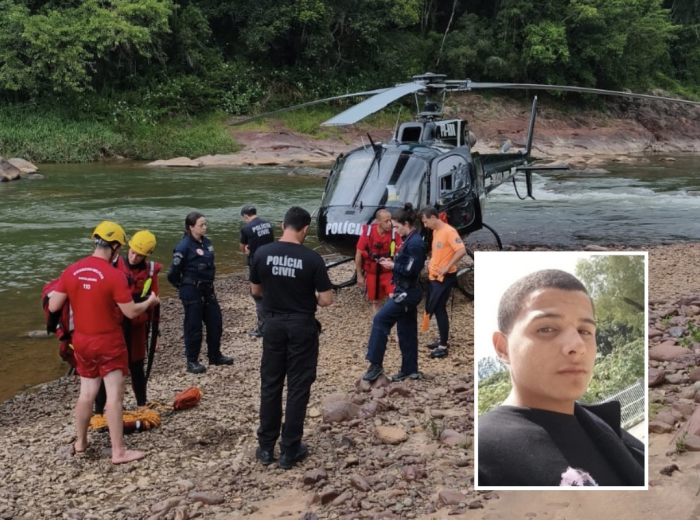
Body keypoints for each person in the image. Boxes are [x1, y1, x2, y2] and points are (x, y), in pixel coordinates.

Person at [477, 269, 645, 487]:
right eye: (547, 329)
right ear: (503, 347)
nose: (577, 346)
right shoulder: (484, 451)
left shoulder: (602, 424)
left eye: (585, 331)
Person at [48, 221, 159, 464]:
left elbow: (54, 305)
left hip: (82, 342)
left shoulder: (72, 270)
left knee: (87, 393)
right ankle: (119, 452)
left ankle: (81, 442)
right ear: (116, 246)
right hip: (109, 343)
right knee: (114, 397)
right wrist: (150, 302)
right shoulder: (114, 275)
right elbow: (130, 312)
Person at [250, 206, 333, 469]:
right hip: (301, 326)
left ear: (282, 225)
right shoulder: (312, 259)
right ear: (305, 229)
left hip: (273, 324)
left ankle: (266, 447)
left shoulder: (262, 253)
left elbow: (256, 290)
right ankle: (289, 449)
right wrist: (308, 295)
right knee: (298, 386)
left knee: (271, 384)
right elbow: (326, 299)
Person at [94, 230, 161, 414]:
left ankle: (142, 404)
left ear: (147, 255)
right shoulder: (112, 264)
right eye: (132, 252)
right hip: (114, 326)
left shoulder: (150, 272)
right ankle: (99, 411)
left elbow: (154, 303)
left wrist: (156, 334)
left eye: (139, 255)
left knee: (137, 366)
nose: (133, 257)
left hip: (137, 326)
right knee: (108, 368)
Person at [363, 203, 426, 383]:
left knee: (380, 320)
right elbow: (405, 264)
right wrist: (392, 262)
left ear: (406, 224)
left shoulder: (415, 243)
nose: (395, 231)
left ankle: (375, 364)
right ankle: (410, 369)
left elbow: (411, 270)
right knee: (406, 330)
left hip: (407, 293)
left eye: (397, 227)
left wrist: (393, 266)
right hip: (404, 289)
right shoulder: (409, 239)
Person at [167, 212, 233, 374]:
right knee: (193, 326)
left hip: (207, 289)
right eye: (201, 225)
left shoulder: (206, 242)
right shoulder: (184, 246)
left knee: (215, 322)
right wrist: (182, 287)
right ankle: (192, 361)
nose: (205, 227)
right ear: (191, 227)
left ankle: (214, 355)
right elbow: (172, 273)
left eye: (205, 224)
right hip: (192, 289)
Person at [420, 206, 467, 359]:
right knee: (435, 307)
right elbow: (438, 252)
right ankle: (442, 339)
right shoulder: (436, 231)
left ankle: (443, 346)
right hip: (434, 275)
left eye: (426, 222)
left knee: (439, 308)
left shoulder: (449, 231)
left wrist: (447, 267)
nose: (425, 225)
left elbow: (461, 250)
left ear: (433, 217)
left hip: (445, 277)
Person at [355, 208, 402, 316]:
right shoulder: (368, 233)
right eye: (386, 221)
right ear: (378, 222)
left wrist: (393, 261)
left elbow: (400, 253)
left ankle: (394, 324)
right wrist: (359, 275)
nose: (390, 224)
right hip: (372, 273)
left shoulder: (394, 234)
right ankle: (378, 323)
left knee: (394, 298)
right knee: (376, 302)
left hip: (389, 273)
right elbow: (358, 255)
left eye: (390, 220)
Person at [239, 205, 274, 338]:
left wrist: (247, 248)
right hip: (271, 260)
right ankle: (275, 320)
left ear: (245, 216)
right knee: (271, 290)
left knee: (257, 295)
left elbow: (242, 248)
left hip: (256, 263)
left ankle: (263, 328)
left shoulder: (246, 228)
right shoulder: (268, 224)